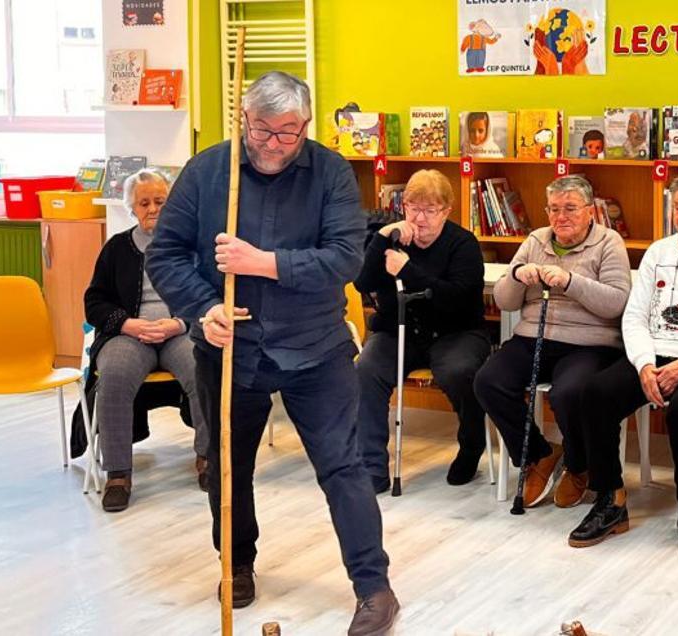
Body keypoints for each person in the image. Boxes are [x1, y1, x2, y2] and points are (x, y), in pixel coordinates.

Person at [145, 71, 397, 634]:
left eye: (288, 132)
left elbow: (343, 260)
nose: (274, 144)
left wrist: (263, 262)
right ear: (244, 119)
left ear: (305, 125)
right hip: (232, 348)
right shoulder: (208, 170)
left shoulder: (330, 171)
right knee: (229, 467)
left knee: (343, 467)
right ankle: (236, 564)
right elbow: (166, 255)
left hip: (316, 347)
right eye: (262, 130)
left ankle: (373, 587)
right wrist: (203, 307)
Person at [567, 169, 678, 555]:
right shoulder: (658, 252)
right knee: (596, 393)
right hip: (656, 354)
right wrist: (644, 365)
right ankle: (610, 501)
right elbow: (633, 316)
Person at [474, 175, 630, 509]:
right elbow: (505, 301)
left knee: (569, 392)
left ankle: (578, 465)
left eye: (571, 208)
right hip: (534, 335)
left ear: (590, 211)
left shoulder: (608, 242)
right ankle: (539, 455)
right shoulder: (535, 240)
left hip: (589, 343)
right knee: (489, 381)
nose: (561, 217)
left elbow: (617, 302)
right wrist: (516, 276)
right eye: (554, 209)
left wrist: (572, 281)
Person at [354, 169, 490, 490]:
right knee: (366, 371)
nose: (421, 218)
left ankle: (471, 446)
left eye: (430, 210)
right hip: (398, 330)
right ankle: (372, 466)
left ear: (446, 211)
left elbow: (455, 299)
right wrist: (382, 237)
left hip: (454, 331)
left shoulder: (463, 244)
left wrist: (408, 271)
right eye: (414, 208)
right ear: (403, 207)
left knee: (461, 372)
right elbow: (362, 282)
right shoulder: (394, 238)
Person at [83, 167, 207, 512]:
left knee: (203, 368)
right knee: (116, 377)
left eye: (160, 201)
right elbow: (94, 302)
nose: (153, 208)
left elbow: (208, 296)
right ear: (132, 209)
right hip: (129, 334)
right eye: (144, 203)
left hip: (178, 331)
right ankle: (118, 474)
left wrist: (178, 323)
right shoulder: (117, 249)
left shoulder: (191, 246)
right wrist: (127, 324)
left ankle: (209, 459)